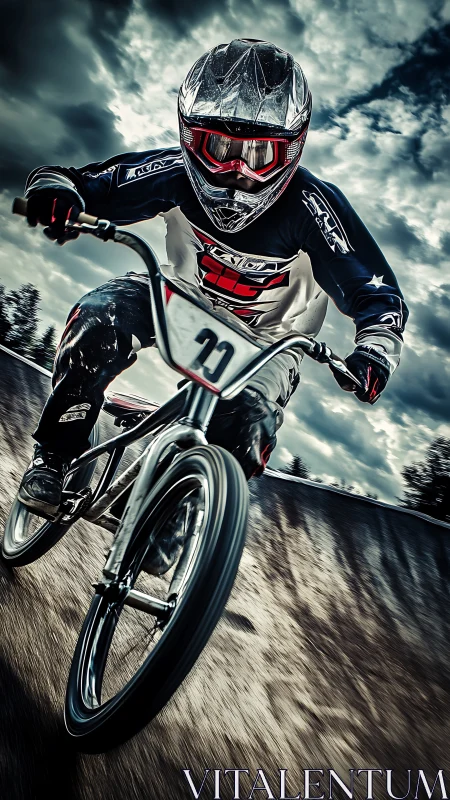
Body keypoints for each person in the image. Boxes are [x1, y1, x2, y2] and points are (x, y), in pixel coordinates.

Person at [19, 39, 408, 528]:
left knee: (250, 423)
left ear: (292, 148)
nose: (237, 173)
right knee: (99, 316)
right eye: (220, 148)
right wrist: (58, 193)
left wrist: (375, 346)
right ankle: (55, 455)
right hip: (182, 301)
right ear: (188, 137)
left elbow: (374, 291)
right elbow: (84, 182)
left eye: (259, 153)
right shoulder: (174, 173)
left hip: (269, 342)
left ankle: (179, 522)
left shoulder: (314, 206)